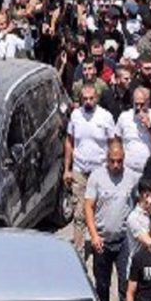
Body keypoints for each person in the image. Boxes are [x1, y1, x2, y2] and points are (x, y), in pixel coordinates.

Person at [85, 139, 138, 301]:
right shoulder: (96, 177)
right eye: (112, 161)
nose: (116, 165)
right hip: (102, 239)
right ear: (107, 159)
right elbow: (88, 207)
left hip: (123, 239)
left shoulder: (131, 177)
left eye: (119, 161)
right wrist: (93, 235)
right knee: (102, 283)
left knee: (125, 282)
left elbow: (138, 202)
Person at [64, 84, 116, 260]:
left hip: (99, 171)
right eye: (84, 98)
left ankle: (100, 247)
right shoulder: (75, 116)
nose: (87, 102)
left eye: (91, 98)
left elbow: (113, 144)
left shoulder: (106, 117)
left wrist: (112, 168)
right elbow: (69, 142)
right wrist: (67, 169)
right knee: (79, 214)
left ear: (97, 98)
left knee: (100, 212)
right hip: (80, 170)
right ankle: (78, 254)